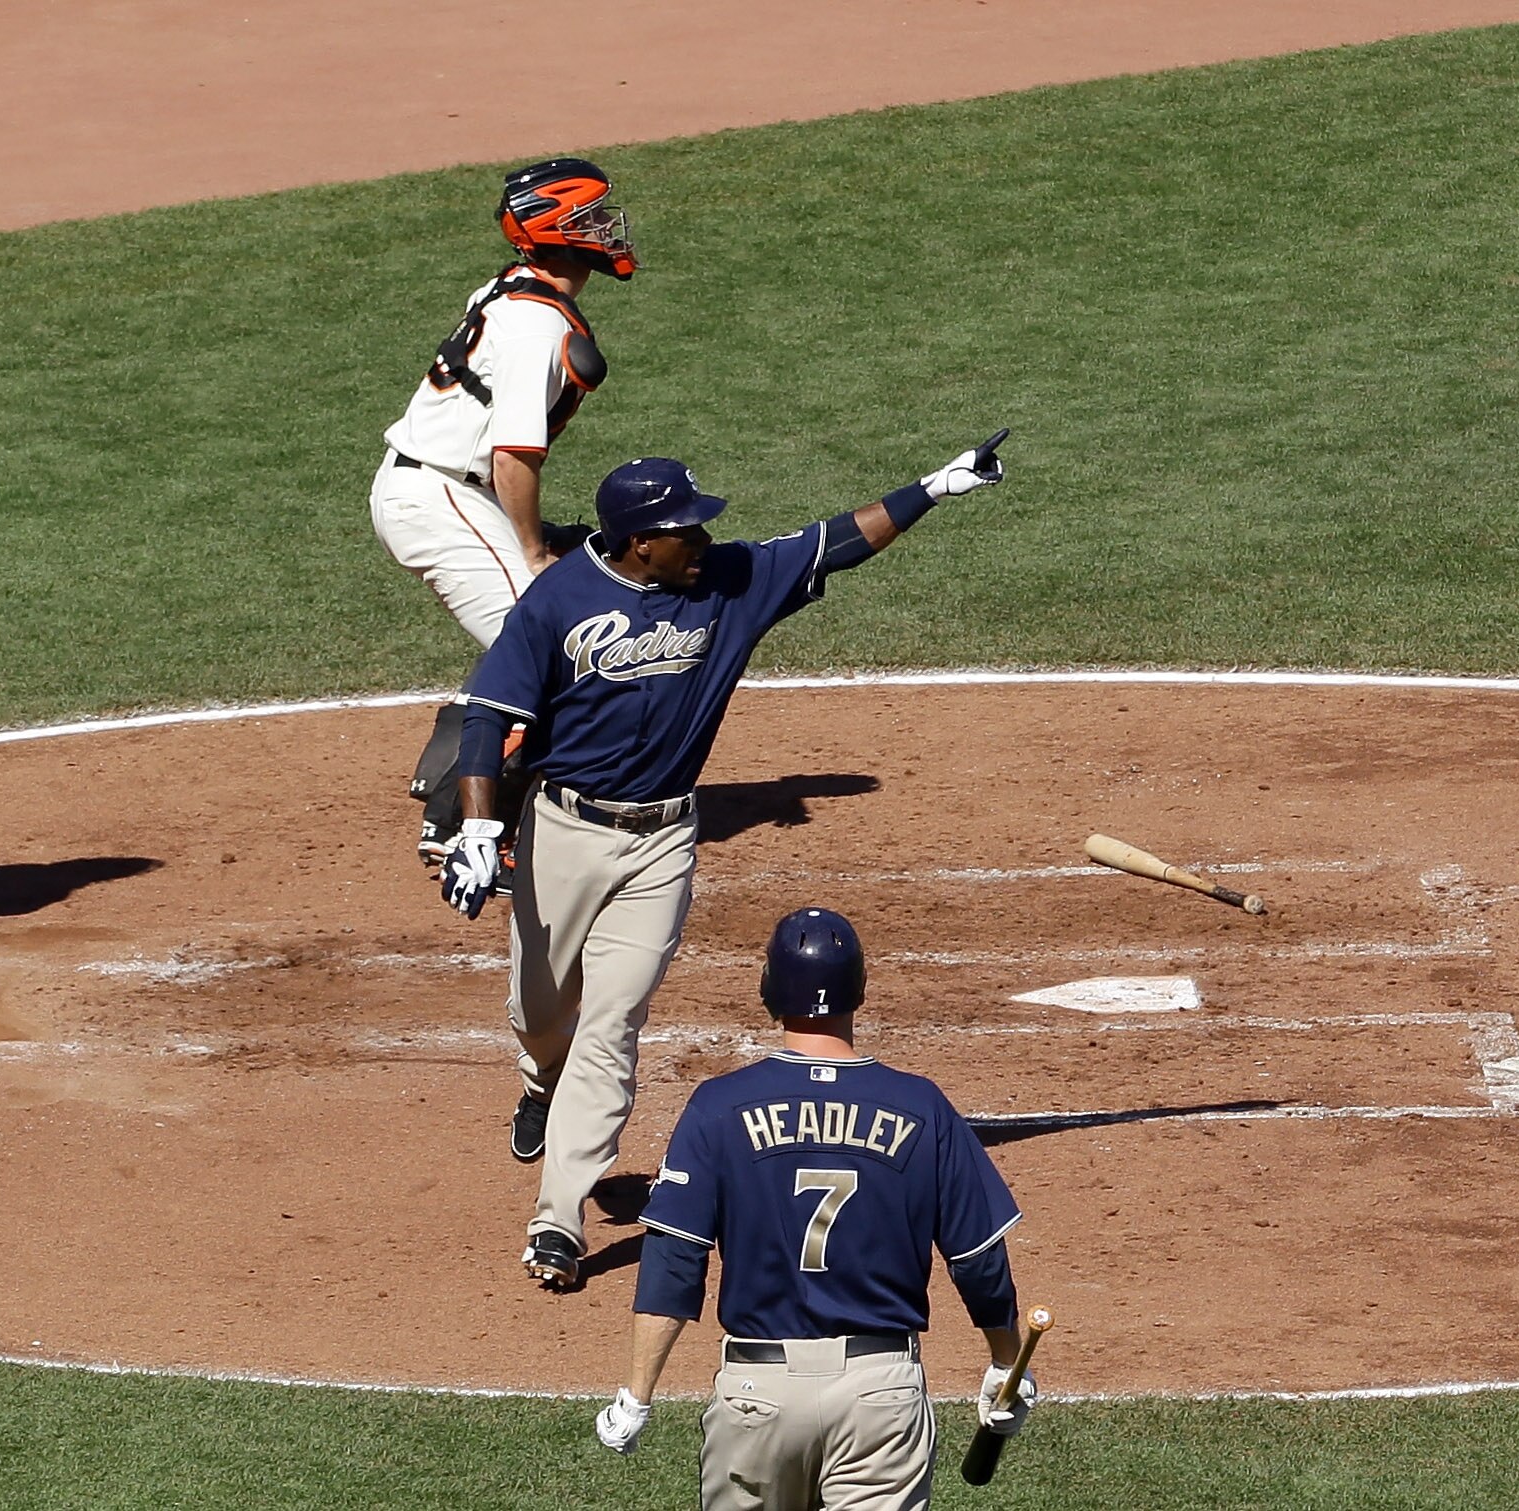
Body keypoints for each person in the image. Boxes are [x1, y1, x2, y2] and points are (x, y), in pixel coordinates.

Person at [440, 433, 1009, 1287]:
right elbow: (486, 715)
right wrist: (480, 829)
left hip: (664, 840)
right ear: (640, 542)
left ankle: (557, 1218)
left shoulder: (729, 584)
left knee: (613, 1023)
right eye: (687, 531)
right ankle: (537, 1077)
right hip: (563, 831)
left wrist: (931, 487)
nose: (704, 542)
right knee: (540, 1006)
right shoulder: (559, 600)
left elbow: (833, 542)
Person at [591, 908, 1038, 1509]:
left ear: (770, 990)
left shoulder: (718, 1106)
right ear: (859, 990)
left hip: (758, 1395)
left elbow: (675, 1260)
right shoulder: (921, 1105)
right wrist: (1005, 1366)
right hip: (881, 1398)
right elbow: (978, 1258)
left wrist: (637, 1394)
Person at [371, 157, 636, 877]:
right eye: (589, 220)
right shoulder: (531, 329)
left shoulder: (515, 291)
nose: (606, 229)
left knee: (548, 638)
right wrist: (532, 548)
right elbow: (512, 458)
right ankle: (462, 824)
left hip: (444, 489)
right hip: (443, 496)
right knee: (556, 647)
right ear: (555, 230)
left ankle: (462, 752)